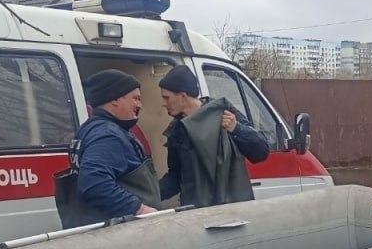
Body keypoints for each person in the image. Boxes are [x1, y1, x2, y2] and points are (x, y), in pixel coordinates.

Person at [56, 70, 161, 228]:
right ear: (115, 100)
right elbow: (94, 184)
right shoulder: (108, 135)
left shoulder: (88, 129)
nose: (139, 105)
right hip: (122, 231)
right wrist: (140, 209)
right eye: (135, 98)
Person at [157, 65, 270, 208]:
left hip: (232, 210)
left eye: (167, 98)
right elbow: (175, 178)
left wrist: (237, 129)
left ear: (183, 96)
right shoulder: (177, 130)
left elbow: (261, 152)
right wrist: (147, 197)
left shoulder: (223, 113)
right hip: (197, 214)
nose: (163, 104)